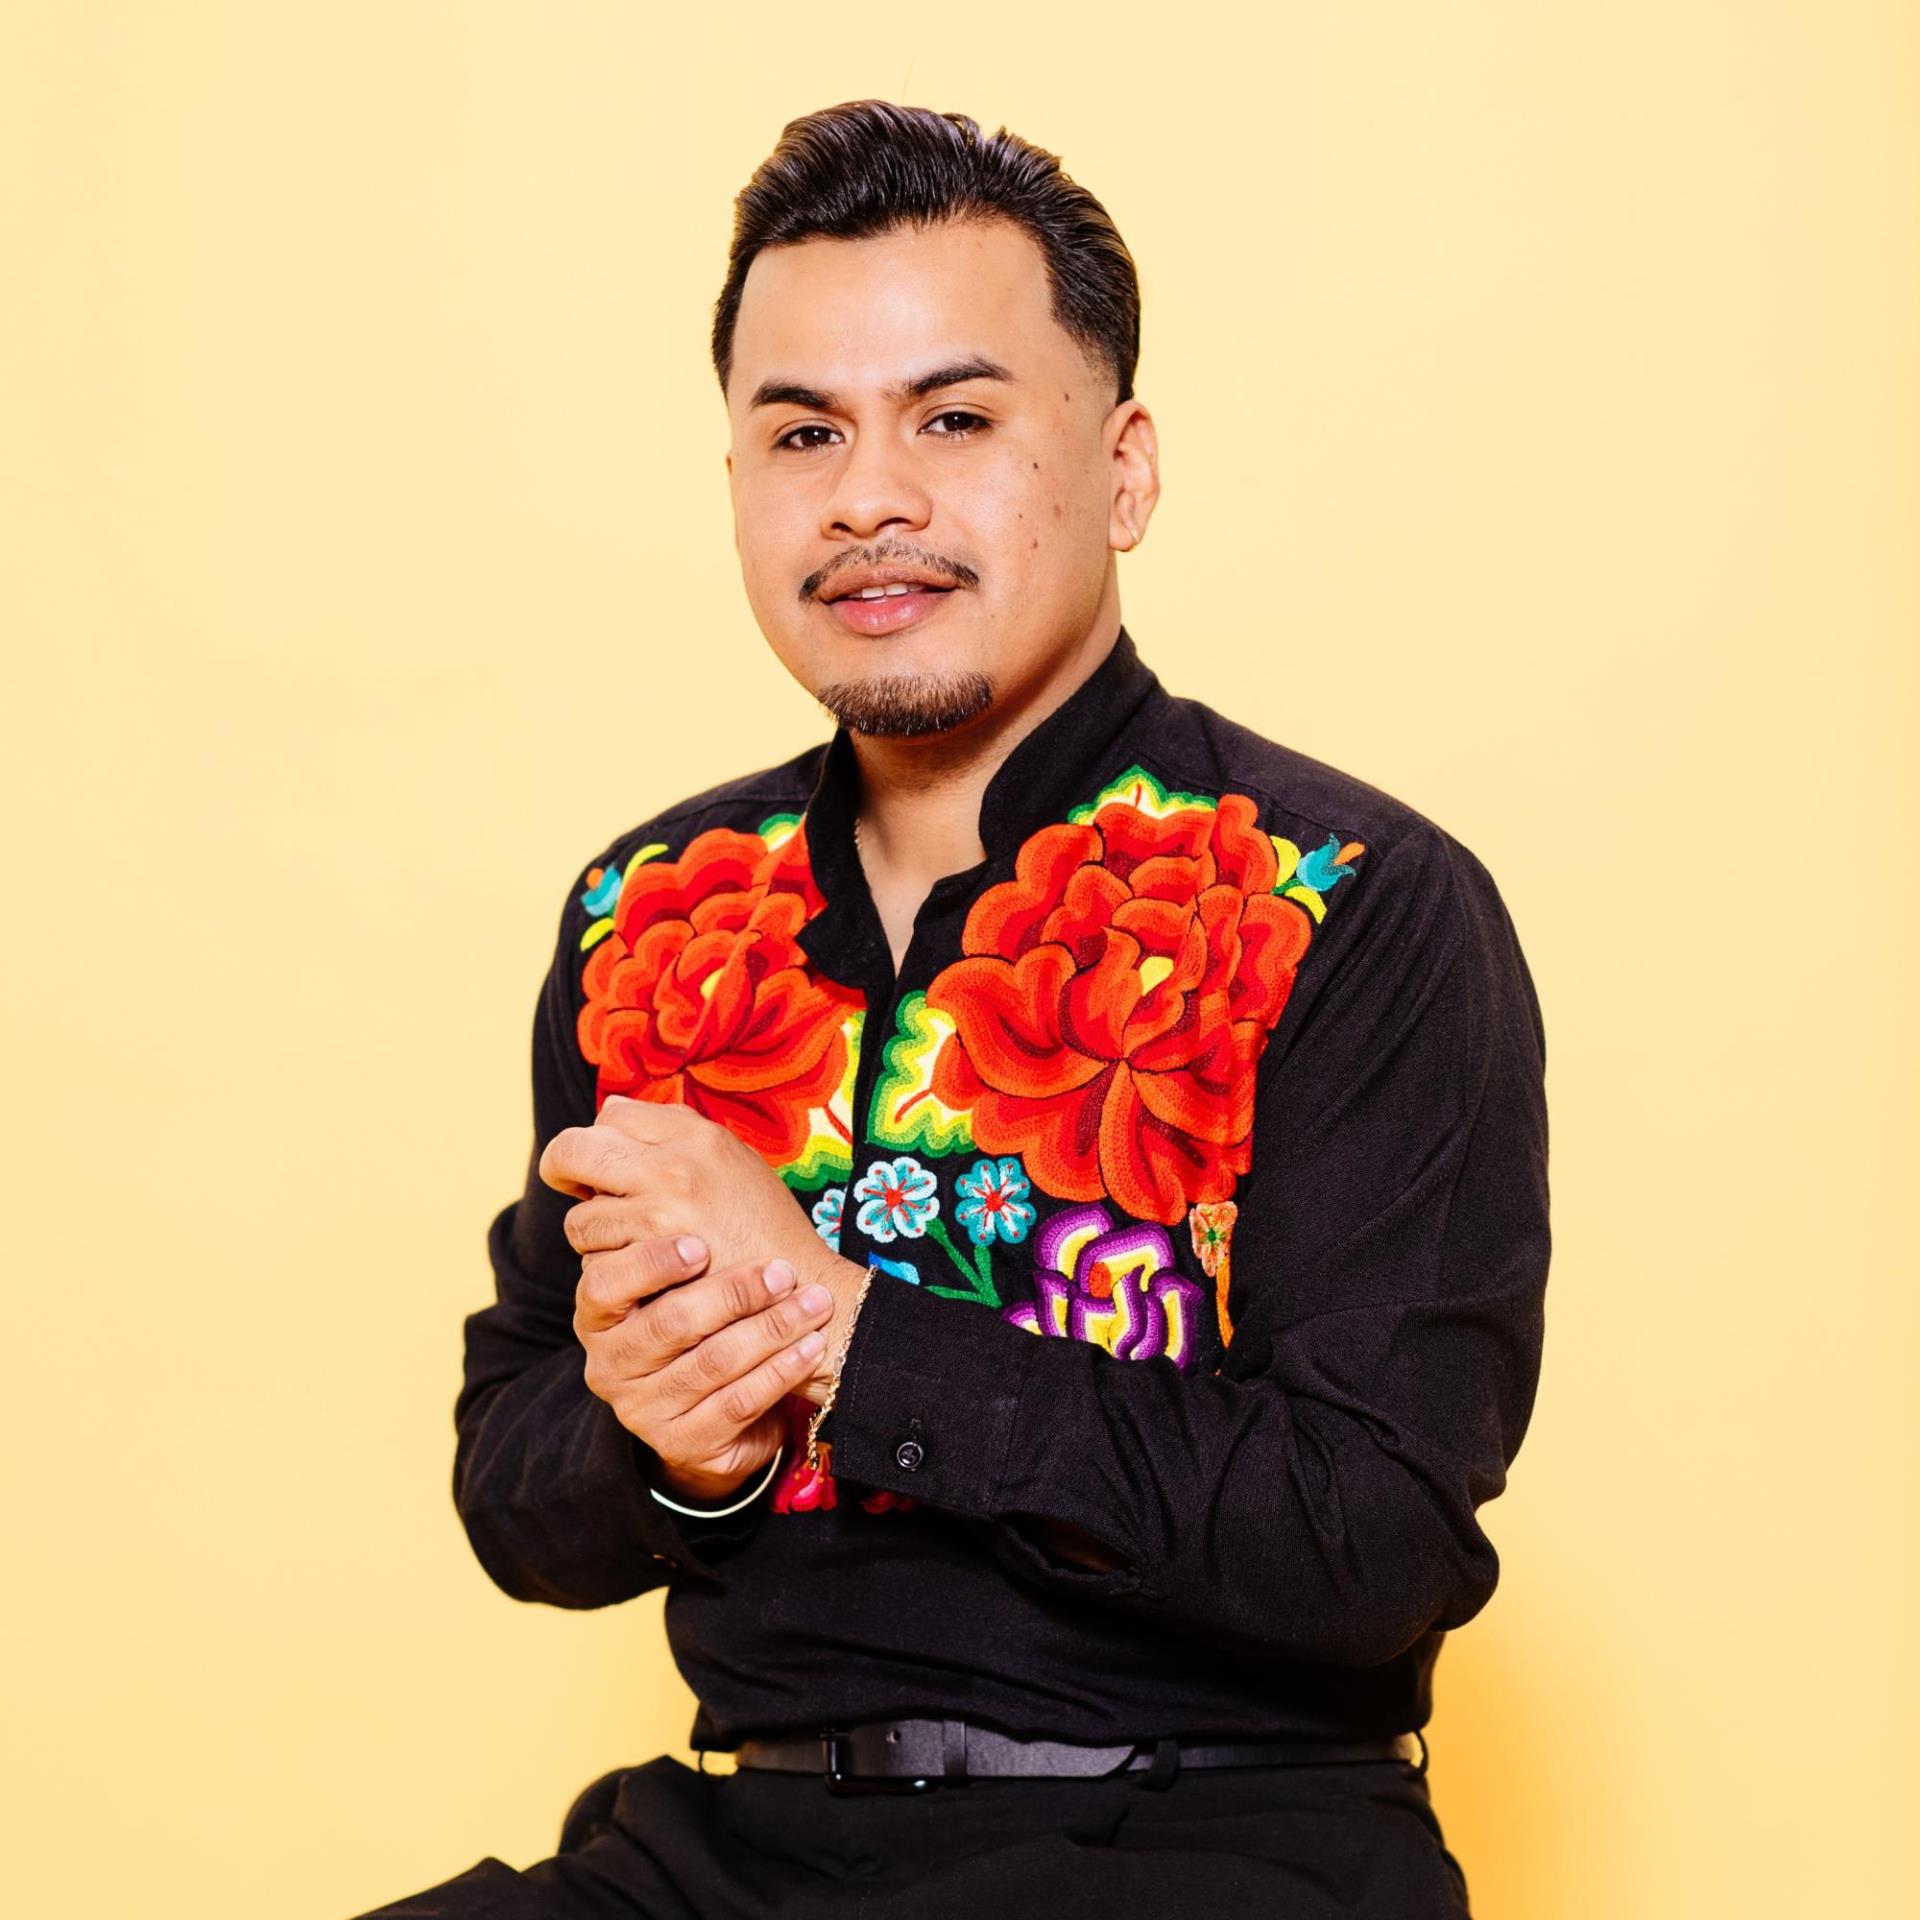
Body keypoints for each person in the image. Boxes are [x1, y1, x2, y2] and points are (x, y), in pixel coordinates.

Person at [354, 98, 1549, 1920]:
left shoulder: (1354, 903)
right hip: (736, 1846)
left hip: (1207, 1843)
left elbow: (1370, 1535)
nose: (868, 499)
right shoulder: (649, 912)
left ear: (1127, 468)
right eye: (802, 433)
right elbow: (517, 1485)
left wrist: (845, 1339)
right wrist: (674, 1441)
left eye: (958, 419)